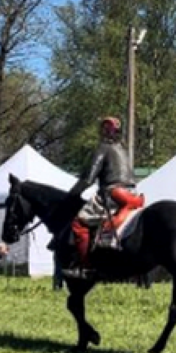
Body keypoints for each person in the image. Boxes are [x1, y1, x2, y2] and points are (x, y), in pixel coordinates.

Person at [65, 116, 144, 277]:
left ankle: (86, 267)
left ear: (105, 131)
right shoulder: (123, 150)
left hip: (113, 194)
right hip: (133, 194)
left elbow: (88, 178)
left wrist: (71, 194)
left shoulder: (103, 148)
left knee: (79, 222)